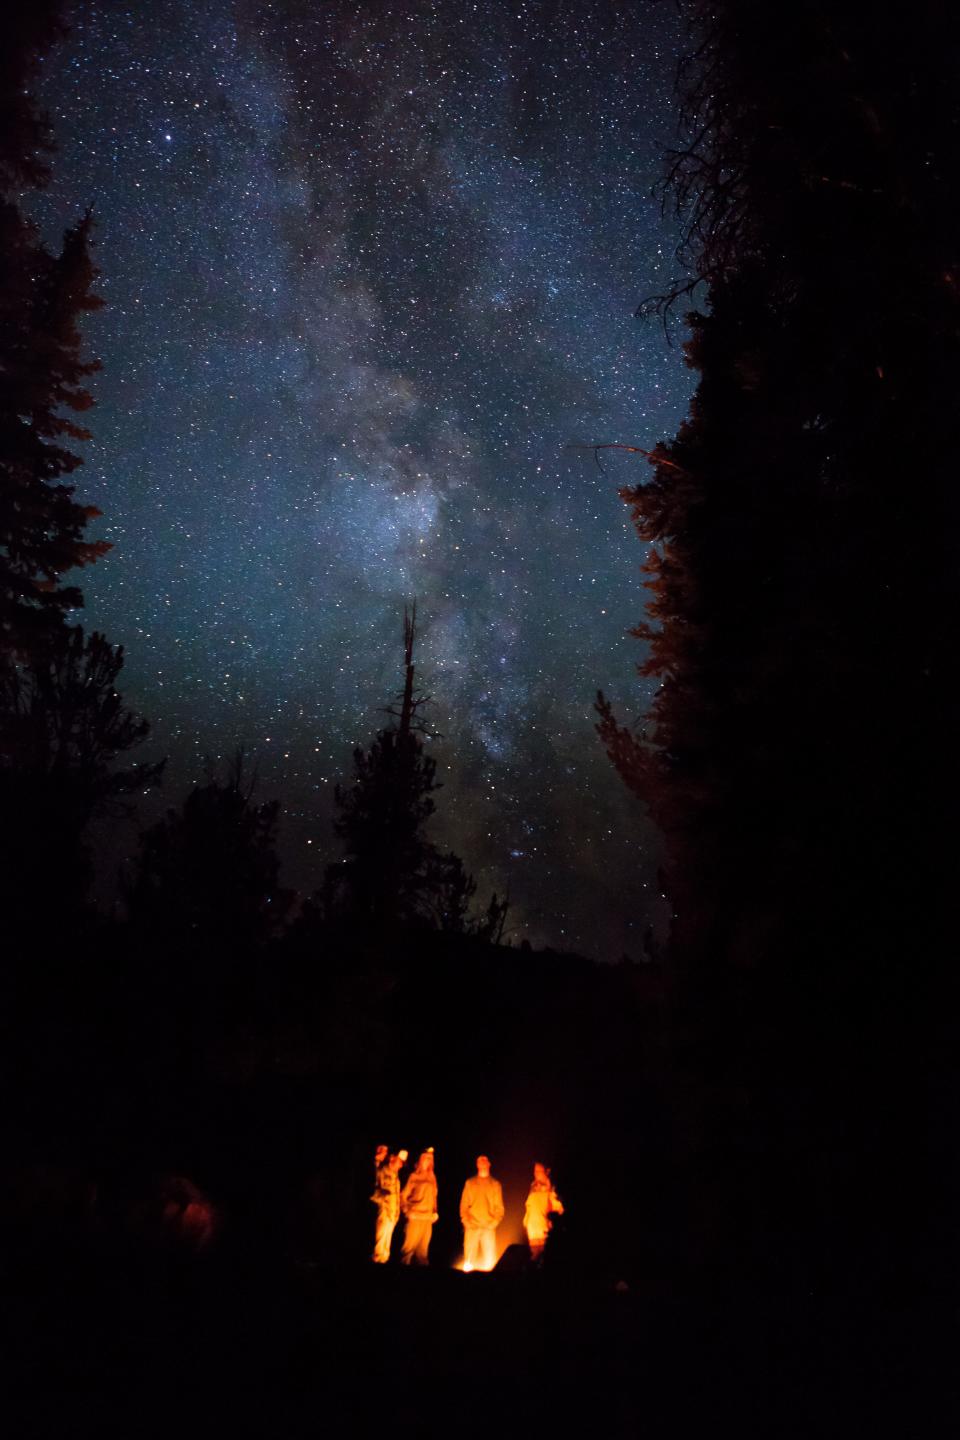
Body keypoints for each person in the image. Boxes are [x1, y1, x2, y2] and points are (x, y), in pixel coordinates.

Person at [459, 1154, 504, 1271]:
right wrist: (466, 1222)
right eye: (480, 1160)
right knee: (469, 1262)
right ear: (477, 1164)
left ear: (489, 1164)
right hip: (472, 1227)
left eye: (485, 1160)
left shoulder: (495, 1184)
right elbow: (464, 1205)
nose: (482, 1162)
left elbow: (499, 1208)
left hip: (488, 1228)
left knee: (490, 1262)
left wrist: (493, 1223)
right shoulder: (470, 1183)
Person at [400, 1148, 438, 1265]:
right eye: (426, 1158)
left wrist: (435, 1211)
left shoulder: (432, 1177)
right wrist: (406, 1210)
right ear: (421, 1160)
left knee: (422, 1253)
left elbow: (434, 1196)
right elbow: (403, 1196)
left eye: (430, 1158)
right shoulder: (413, 1177)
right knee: (408, 1250)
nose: (428, 1160)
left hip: (427, 1218)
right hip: (415, 1216)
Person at [371, 1148, 407, 1263]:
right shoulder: (382, 1171)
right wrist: (384, 1197)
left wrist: (397, 1213)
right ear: (392, 1158)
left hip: (392, 1215)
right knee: (380, 1242)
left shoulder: (396, 1176)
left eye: (402, 1162)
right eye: (399, 1161)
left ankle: (384, 1261)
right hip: (383, 1211)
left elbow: (396, 1196)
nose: (400, 1165)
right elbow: (373, 1192)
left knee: (387, 1243)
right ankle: (376, 1261)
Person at [523, 1162, 564, 1263]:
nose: (536, 1173)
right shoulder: (533, 1187)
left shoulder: (552, 1189)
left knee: (545, 1261)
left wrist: (551, 1223)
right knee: (533, 1260)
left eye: (538, 1171)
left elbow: (559, 1209)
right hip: (533, 1232)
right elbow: (529, 1206)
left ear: (547, 1172)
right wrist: (526, 1220)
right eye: (535, 1171)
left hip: (545, 1232)